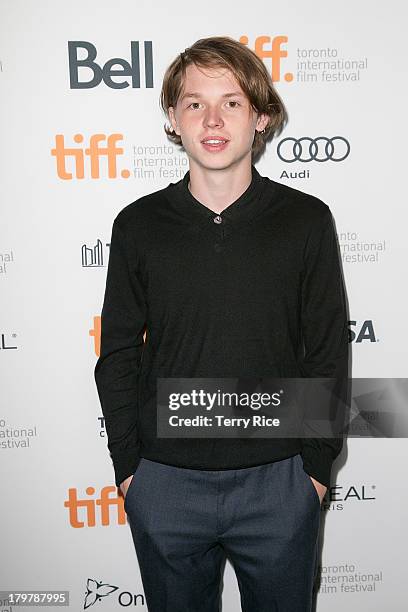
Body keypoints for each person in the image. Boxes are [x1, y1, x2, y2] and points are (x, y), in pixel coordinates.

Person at [94, 35, 349, 612]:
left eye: (231, 102)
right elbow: (117, 354)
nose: (212, 119)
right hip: (163, 483)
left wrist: (312, 468)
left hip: (280, 483)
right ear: (173, 118)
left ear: (260, 117)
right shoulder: (138, 225)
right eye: (194, 103)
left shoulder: (306, 221)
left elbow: (328, 350)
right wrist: (130, 469)